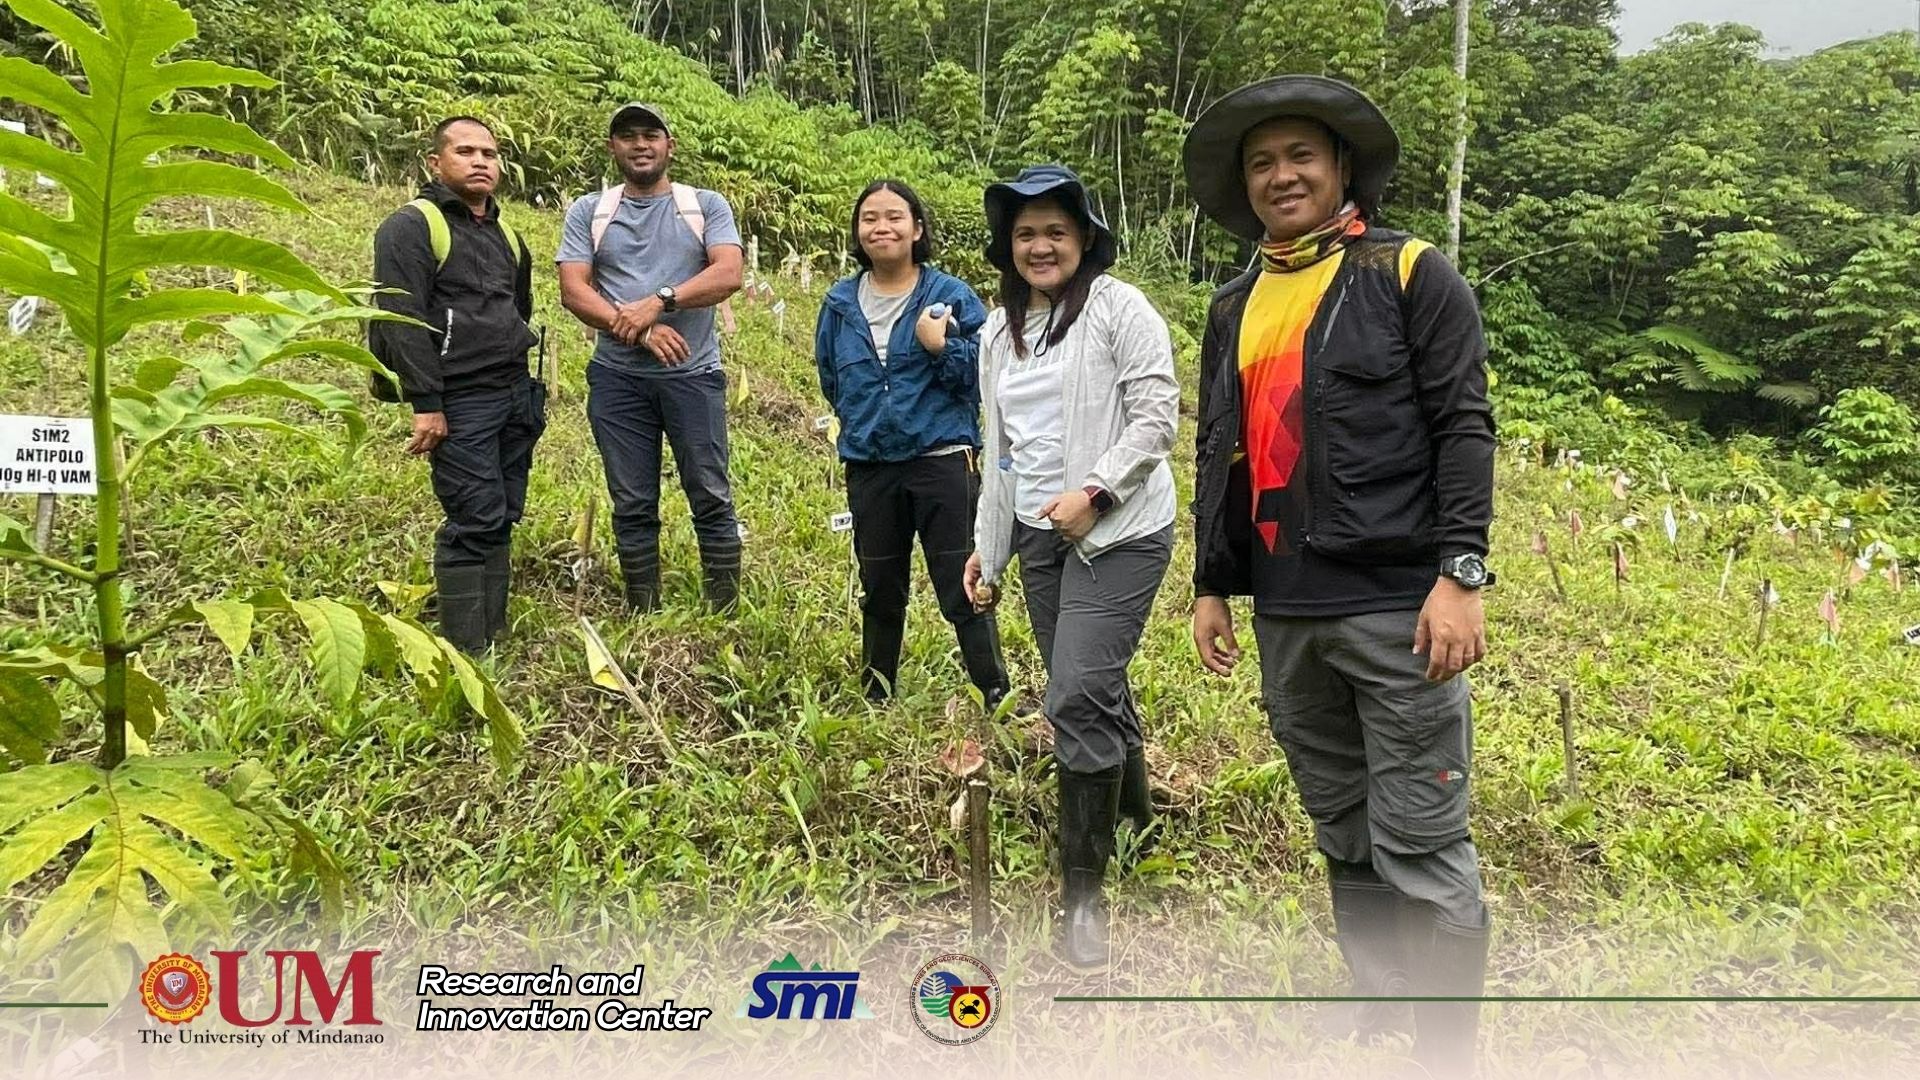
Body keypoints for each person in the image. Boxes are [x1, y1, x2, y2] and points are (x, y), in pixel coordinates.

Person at [1183, 75, 1498, 1077]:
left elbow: (1463, 424)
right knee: (1345, 831)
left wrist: (1462, 574)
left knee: (1421, 840)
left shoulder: (1408, 273)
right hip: (1285, 610)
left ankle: (1447, 1051)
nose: (1282, 176)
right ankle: (1380, 1014)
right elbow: (1219, 452)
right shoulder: (1234, 304)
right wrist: (1210, 583)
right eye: (1262, 162)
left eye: (1300, 157)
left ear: (1342, 167)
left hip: (1397, 606)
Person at [961, 164, 1180, 969]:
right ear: (1007, 247)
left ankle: (1081, 897)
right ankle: (1135, 817)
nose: (1040, 246)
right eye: (1025, 234)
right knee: (1091, 684)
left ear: (1084, 238)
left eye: (1055, 231)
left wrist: (1095, 491)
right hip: (1040, 539)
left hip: (1120, 534)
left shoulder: (1121, 310)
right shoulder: (996, 332)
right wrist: (987, 551)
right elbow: (1005, 454)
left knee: (1074, 693)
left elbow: (1157, 418)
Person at [814, 180, 1010, 707]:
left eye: (895, 217)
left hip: (942, 461)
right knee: (879, 585)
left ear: (917, 228)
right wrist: (866, 421)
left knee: (961, 582)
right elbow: (832, 380)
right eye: (870, 218)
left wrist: (940, 346)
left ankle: (995, 692)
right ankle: (876, 694)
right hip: (871, 465)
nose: (882, 227)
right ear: (858, 232)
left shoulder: (950, 296)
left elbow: (985, 376)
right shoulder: (838, 304)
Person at [556, 103, 747, 612]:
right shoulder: (588, 211)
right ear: (612, 148)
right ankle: (643, 607)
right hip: (618, 379)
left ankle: (724, 608)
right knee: (632, 498)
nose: (640, 145)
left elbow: (728, 273)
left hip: (694, 375)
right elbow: (574, 291)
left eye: (650, 135)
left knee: (709, 491)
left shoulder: (705, 206)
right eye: (627, 136)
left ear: (670, 145)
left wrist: (658, 301)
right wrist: (639, 332)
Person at [370, 115, 544, 654]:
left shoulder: (508, 236)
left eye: (489, 154)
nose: (479, 162)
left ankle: (493, 630)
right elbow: (403, 317)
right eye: (465, 151)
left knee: (504, 510)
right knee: (474, 515)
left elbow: (520, 309)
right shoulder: (411, 227)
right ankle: (466, 649)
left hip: (514, 394)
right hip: (461, 398)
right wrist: (428, 404)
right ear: (435, 162)